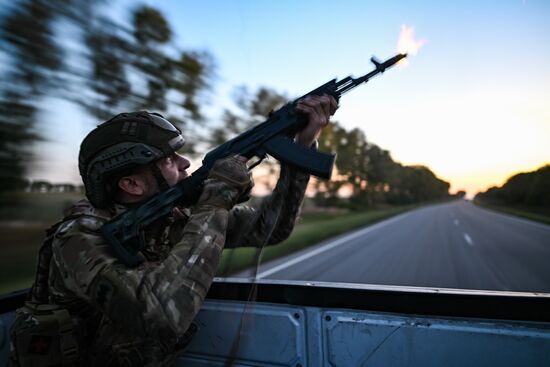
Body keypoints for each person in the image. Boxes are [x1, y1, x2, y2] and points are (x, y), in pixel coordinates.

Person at [9, 95, 337, 366]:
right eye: (168, 158)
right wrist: (215, 202)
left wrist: (302, 148)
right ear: (131, 183)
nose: (184, 163)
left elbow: (270, 228)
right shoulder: (80, 237)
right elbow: (163, 315)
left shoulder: (175, 212)